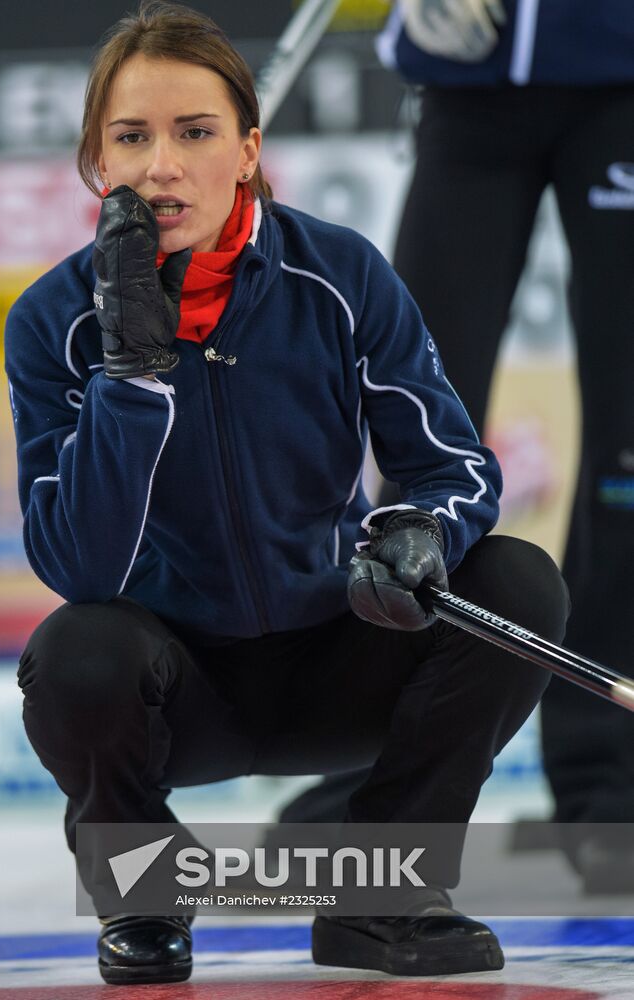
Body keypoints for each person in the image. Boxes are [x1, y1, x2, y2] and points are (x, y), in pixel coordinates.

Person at [5, 1, 569, 986]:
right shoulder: (53, 321)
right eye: (130, 137)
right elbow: (77, 566)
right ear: (98, 161)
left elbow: (453, 465)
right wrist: (131, 377)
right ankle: (143, 895)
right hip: (180, 687)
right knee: (73, 653)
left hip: (337, 644)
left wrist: (422, 533)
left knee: (513, 581)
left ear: (248, 150)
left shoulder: (339, 273)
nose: (161, 167)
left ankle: (380, 894)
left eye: (195, 133)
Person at [279, 0, 634, 895]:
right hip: (465, 76)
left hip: (623, 73)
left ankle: (610, 785)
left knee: (629, 460)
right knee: (411, 431)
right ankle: (374, 765)